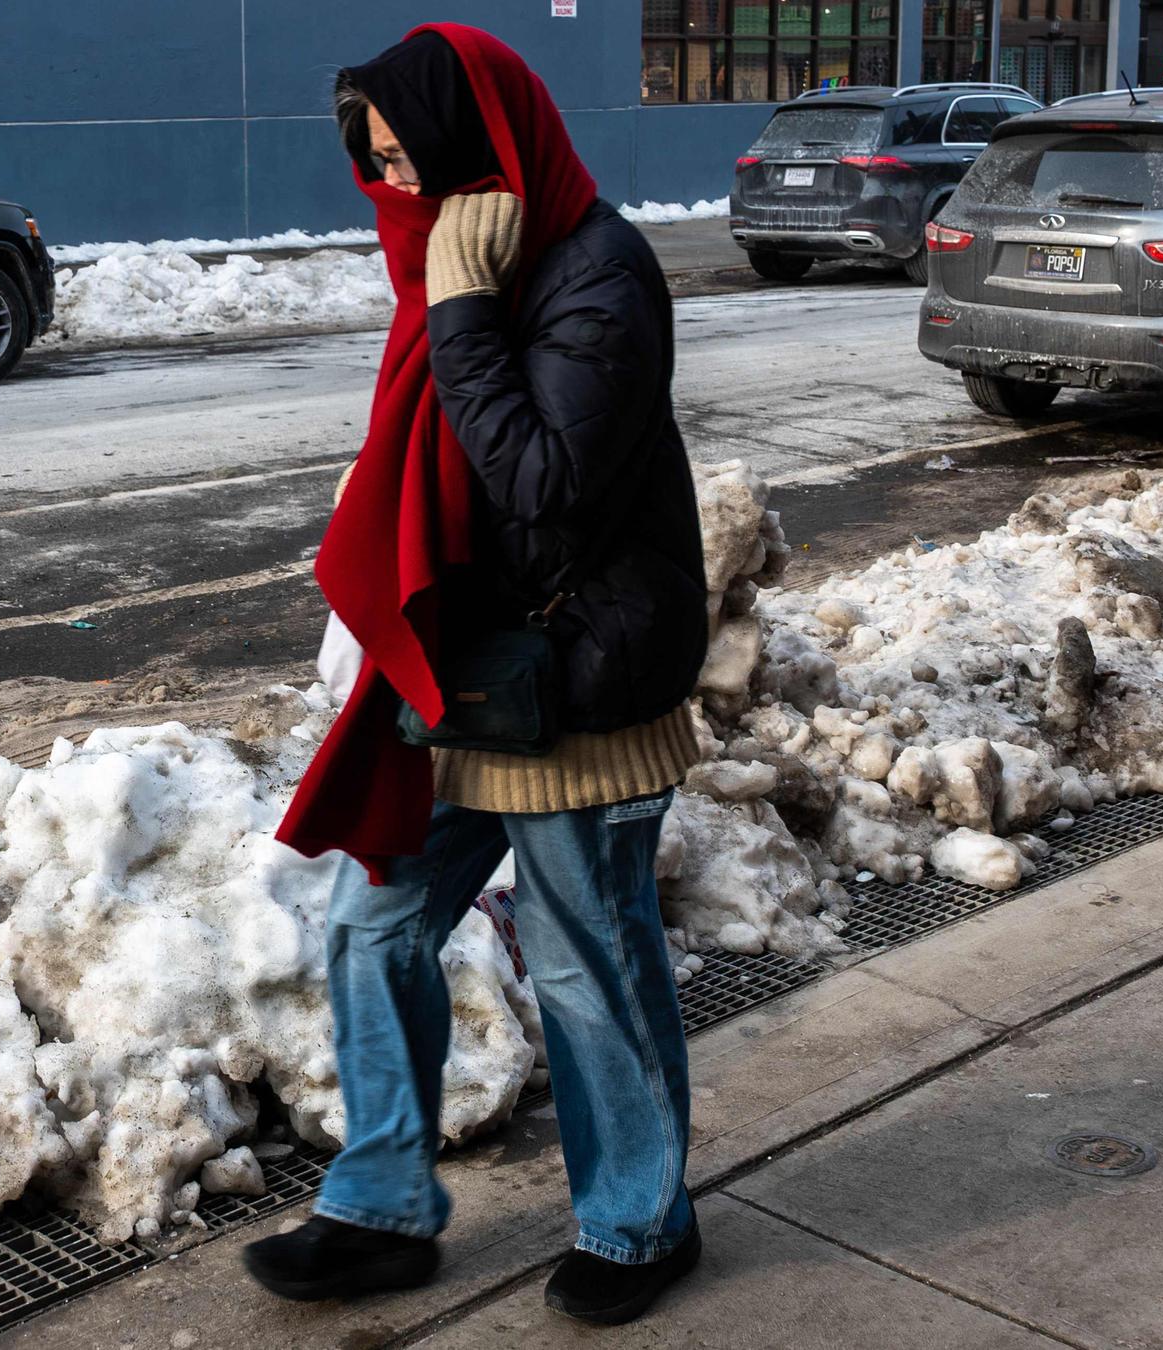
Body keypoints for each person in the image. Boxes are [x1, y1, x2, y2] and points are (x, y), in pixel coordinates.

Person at [249, 23, 709, 1328]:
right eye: (378, 167)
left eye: (411, 162)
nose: (395, 193)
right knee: (372, 921)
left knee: (584, 962)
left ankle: (641, 1223)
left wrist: (459, 313)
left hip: (575, 685)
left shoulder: (596, 275)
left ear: (478, 152)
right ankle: (381, 1202)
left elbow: (543, 487)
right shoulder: (466, 268)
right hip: (469, 683)